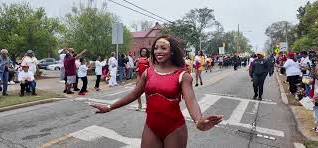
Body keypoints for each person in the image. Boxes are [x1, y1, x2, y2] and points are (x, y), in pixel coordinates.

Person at [91, 35, 223, 148]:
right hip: (151, 128)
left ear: (171, 51)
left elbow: (191, 100)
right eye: (155, 48)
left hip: (174, 129)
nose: (158, 51)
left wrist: (198, 120)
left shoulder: (183, 75)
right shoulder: (148, 73)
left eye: (163, 48)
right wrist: (109, 107)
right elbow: (134, 94)